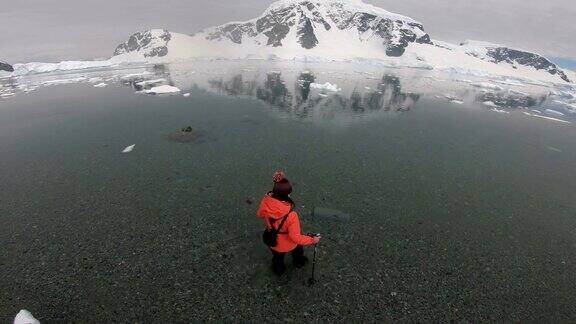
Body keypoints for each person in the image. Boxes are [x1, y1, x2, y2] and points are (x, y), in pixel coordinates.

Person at [256, 171, 321, 275]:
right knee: (298, 250)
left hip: (272, 241)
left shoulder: (266, 203)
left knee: (277, 259)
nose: (290, 195)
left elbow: (261, 212)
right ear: (286, 195)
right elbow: (295, 238)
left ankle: (278, 271)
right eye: (289, 193)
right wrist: (312, 240)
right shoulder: (291, 215)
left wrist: (280, 182)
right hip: (289, 243)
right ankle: (299, 262)